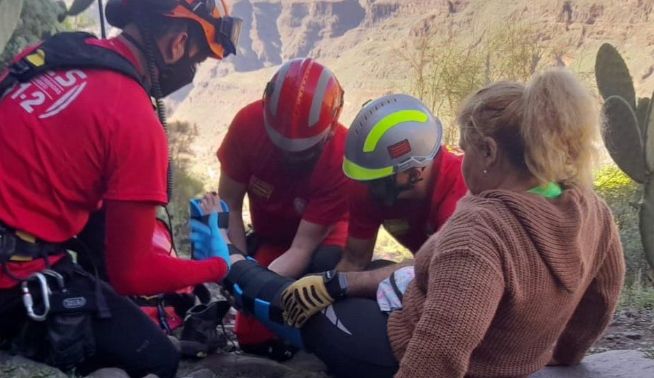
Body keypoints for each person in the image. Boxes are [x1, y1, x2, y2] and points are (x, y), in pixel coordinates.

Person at [193, 69, 625, 377]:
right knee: (332, 286)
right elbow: (601, 298)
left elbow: (442, 348)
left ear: (490, 153)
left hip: (400, 349)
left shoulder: (480, 226)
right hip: (471, 338)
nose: (460, 157)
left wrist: (335, 290)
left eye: (468, 148)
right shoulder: (593, 209)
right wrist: (565, 354)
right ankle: (236, 268)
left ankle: (228, 264)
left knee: (299, 309)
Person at [0, 1, 241, 377]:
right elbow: (134, 275)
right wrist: (215, 267)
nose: (192, 68)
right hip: (11, 274)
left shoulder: (56, 52)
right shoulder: (135, 119)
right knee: (157, 358)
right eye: (198, 57)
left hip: (13, 233)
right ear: (178, 44)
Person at [216, 57, 349, 357]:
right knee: (252, 334)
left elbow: (303, 248)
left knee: (320, 271)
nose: (289, 158)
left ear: (329, 130)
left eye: (302, 152)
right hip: (272, 235)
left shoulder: (341, 156)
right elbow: (231, 206)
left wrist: (255, 283)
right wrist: (239, 266)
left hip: (323, 237)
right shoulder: (248, 124)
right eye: (280, 147)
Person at [337, 94, 467, 271]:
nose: (368, 187)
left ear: (413, 172)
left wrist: (346, 285)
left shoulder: (461, 193)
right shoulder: (365, 183)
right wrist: (326, 289)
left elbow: (444, 270)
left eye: (378, 181)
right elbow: (354, 261)